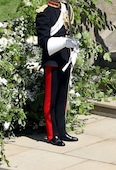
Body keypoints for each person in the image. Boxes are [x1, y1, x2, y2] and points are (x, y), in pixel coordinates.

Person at [36, 0, 80, 147]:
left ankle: (61, 130)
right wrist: (63, 43)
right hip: (52, 61)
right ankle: (51, 133)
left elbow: (67, 31)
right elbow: (43, 41)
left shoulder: (65, 8)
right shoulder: (44, 12)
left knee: (62, 98)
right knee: (51, 100)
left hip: (65, 59)